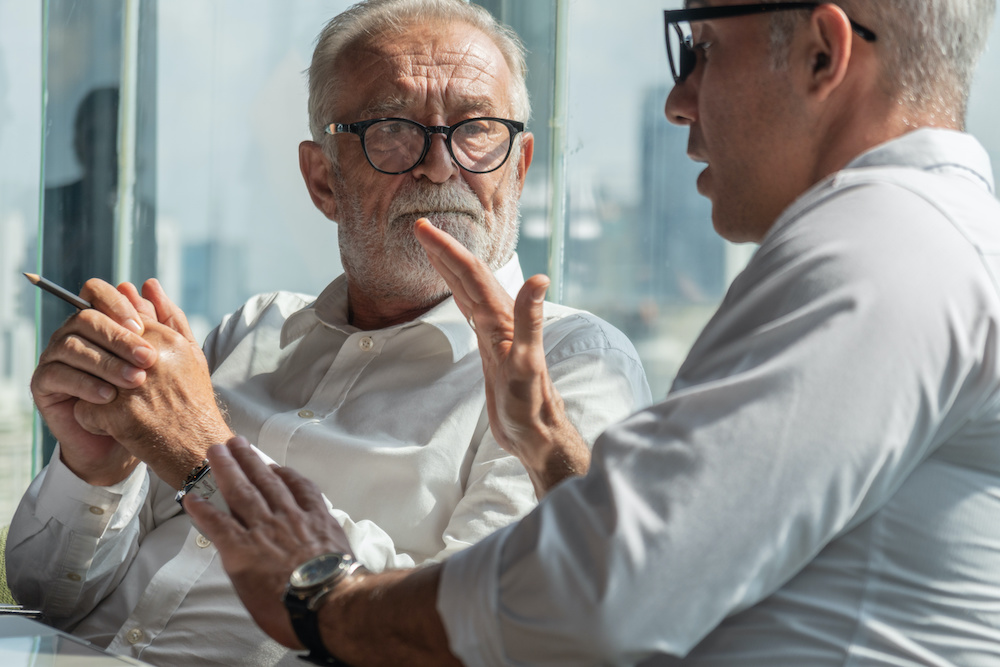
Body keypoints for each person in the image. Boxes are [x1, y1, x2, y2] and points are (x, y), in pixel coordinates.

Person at [187, 0, 1000, 664]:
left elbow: (607, 590)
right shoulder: (902, 242)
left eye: (702, 47)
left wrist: (323, 599)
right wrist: (548, 445)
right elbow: (654, 552)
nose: (680, 99)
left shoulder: (885, 247)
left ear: (823, 54)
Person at [5, 1, 650, 665]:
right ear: (322, 179)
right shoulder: (255, 327)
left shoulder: (570, 366)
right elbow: (46, 597)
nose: (439, 165)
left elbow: (469, 634)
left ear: (517, 167)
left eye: (477, 127)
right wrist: (94, 466)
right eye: (394, 129)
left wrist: (204, 455)